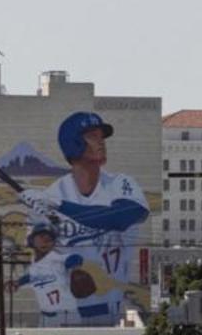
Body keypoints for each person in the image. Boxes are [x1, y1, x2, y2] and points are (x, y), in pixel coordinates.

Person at [19, 111, 150, 319]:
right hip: (61, 313)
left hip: (110, 310)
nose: (101, 142)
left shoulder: (120, 184)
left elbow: (123, 217)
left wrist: (60, 206)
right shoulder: (50, 196)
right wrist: (70, 269)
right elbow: (40, 256)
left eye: (101, 136)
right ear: (74, 144)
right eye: (92, 137)